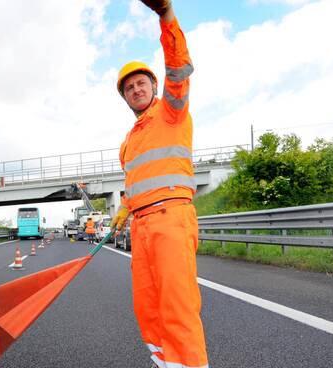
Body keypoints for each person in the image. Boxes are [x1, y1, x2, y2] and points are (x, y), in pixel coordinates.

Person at [110, 1, 209, 367]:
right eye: (129, 88)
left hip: (171, 218)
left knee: (177, 308)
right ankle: (166, 363)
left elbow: (179, 68)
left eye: (141, 83)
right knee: (148, 308)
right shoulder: (129, 140)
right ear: (125, 98)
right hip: (141, 226)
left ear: (153, 86)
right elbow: (135, 179)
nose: (136, 90)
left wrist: (166, 15)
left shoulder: (171, 110)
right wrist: (124, 208)